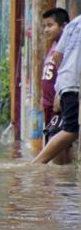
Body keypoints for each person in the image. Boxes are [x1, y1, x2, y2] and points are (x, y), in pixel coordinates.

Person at [32, 11, 81, 164]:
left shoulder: (74, 23)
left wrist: (59, 87)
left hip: (65, 83)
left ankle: (60, 176)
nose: (46, 29)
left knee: (63, 132)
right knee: (70, 131)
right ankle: (36, 164)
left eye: (49, 25)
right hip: (74, 84)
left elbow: (57, 56)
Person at [40, 8, 71, 164]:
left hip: (59, 105)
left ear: (63, 27)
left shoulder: (66, 48)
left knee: (58, 145)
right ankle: (61, 182)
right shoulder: (53, 46)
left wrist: (59, 94)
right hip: (48, 106)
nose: (46, 30)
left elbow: (65, 72)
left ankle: (63, 184)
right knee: (55, 144)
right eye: (44, 26)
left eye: (50, 25)